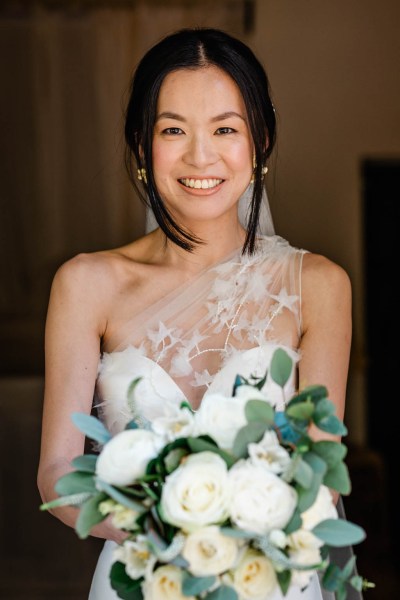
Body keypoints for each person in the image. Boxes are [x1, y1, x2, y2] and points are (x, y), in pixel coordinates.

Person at [37, 28, 354, 600]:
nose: (200, 156)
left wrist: (243, 538)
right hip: (137, 580)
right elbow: (58, 473)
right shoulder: (85, 285)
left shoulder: (320, 287)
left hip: (271, 581)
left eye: (225, 130)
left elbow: (321, 475)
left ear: (259, 141)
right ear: (140, 142)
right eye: (173, 130)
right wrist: (173, 535)